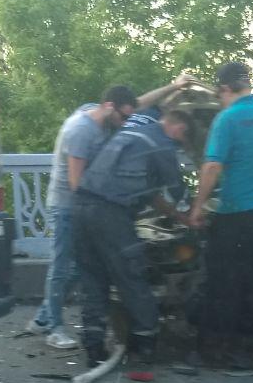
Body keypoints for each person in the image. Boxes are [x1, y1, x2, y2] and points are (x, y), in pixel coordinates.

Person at [27, 78, 194, 350]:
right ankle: (54, 328)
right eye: (124, 116)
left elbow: (141, 102)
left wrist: (174, 87)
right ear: (108, 106)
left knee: (81, 270)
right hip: (70, 205)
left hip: (87, 203)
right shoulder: (81, 130)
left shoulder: (107, 114)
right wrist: (110, 203)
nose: (126, 121)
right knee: (63, 267)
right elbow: (76, 184)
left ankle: (44, 317)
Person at [74, 106, 193, 369]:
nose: (181, 145)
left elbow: (151, 194)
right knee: (132, 277)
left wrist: (176, 216)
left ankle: (93, 349)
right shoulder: (161, 144)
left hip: (80, 209)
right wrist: (193, 216)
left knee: (94, 280)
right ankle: (143, 348)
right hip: (111, 215)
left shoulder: (132, 135)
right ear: (179, 128)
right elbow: (177, 189)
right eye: (184, 140)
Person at [189, 62, 253, 368]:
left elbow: (212, 166)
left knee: (225, 283)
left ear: (223, 89)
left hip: (237, 212)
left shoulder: (227, 119)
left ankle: (222, 349)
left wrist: (197, 207)